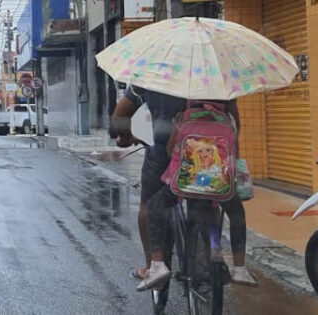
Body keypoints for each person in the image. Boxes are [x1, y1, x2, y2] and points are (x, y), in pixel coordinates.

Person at [110, 84, 256, 291]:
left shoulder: (152, 73)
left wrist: (124, 138)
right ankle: (215, 258)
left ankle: (152, 265)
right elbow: (235, 124)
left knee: (149, 204)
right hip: (213, 158)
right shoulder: (215, 75)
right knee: (211, 199)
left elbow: (120, 114)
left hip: (163, 155)